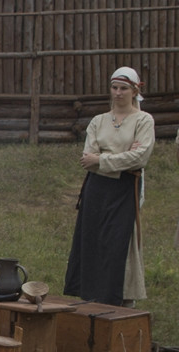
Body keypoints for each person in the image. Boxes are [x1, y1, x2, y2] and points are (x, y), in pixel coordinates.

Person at [64, 66, 154, 307]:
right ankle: (90, 298)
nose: (118, 93)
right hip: (97, 188)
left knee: (118, 244)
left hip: (125, 189)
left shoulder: (143, 120)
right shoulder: (98, 121)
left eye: (123, 88)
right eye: (114, 87)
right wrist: (119, 158)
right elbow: (87, 159)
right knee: (92, 240)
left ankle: (119, 300)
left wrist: (103, 159)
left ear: (135, 90)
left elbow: (140, 157)